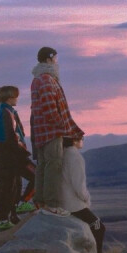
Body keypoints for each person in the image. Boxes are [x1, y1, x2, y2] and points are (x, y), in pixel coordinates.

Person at [31, 46, 84, 216]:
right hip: (50, 131)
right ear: (49, 59)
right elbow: (49, 108)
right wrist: (63, 126)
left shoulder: (39, 79)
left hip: (41, 131)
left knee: (43, 166)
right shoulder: (46, 80)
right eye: (55, 58)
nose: (57, 62)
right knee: (53, 166)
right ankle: (52, 204)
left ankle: (40, 200)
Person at [0, 88, 34, 213]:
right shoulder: (0, 114)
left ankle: (10, 216)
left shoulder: (4, 114)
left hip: (5, 156)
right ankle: (11, 214)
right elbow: (10, 136)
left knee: (10, 186)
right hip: (7, 157)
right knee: (9, 187)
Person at [0, 86, 36, 231]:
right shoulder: (6, 113)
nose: (17, 98)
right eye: (15, 96)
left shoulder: (1, 112)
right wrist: (23, 154)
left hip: (5, 156)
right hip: (12, 156)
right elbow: (10, 137)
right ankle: (21, 203)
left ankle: (4, 219)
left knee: (7, 188)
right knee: (37, 175)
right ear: (10, 97)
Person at [60, 136, 106, 253]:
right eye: (81, 138)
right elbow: (78, 185)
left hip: (63, 201)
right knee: (99, 227)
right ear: (75, 141)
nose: (83, 141)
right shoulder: (75, 157)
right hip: (73, 204)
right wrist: (86, 198)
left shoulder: (63, 155)